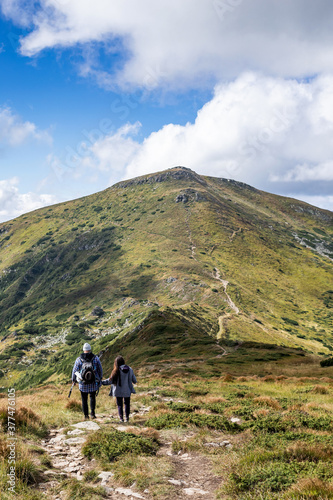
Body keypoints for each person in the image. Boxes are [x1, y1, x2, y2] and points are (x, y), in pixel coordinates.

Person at [71, 343, 103, 420]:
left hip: (82, 383)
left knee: (84, 399)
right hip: (93, 382)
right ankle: (92, 413)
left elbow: (74, 371)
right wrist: (100, 378)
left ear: (83, 350)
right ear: (90, 349)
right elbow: (100, 369)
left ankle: (86, 415)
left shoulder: (79, 359)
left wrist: (73, 380)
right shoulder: (95, 358)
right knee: (92, 397)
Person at [102, 355, 136, 422]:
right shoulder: (130, 369)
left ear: (116, 363)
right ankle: (127, 418)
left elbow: (110, 381)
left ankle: (121, 419)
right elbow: (134, 380)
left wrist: (102, 382)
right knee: (127, 404)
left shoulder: (115, 371)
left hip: (118, 391)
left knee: (119, 405)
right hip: (127, 390)